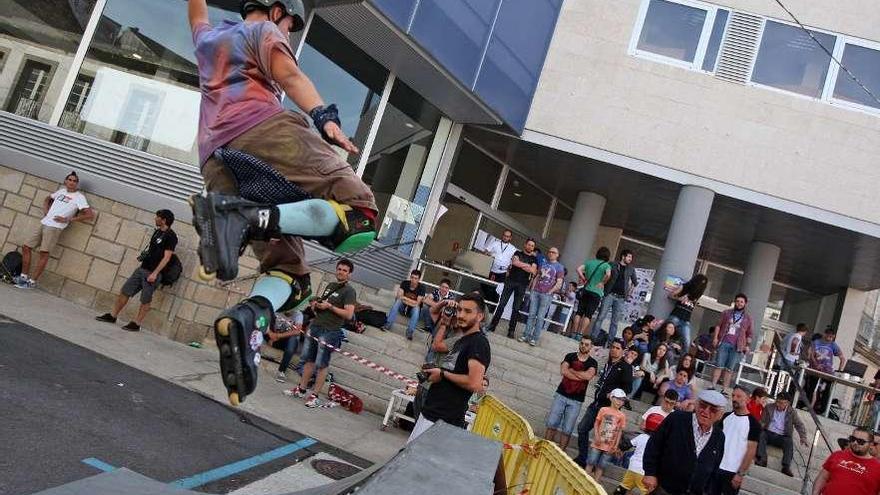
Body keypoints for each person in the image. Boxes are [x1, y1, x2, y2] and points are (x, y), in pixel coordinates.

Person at [186, 0, 379, 404]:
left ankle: (246, 319)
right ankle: (245, 219)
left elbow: (197, 13)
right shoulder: (263, 32)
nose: (289, 31)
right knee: (361, 215)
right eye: (291, 23)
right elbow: (289, 75)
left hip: (215, 161)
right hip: (263, 130)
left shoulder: (208, 38)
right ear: (277, 11)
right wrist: (324, 117)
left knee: (294, 282)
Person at [408, 292, 491, 442]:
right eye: (459, 310)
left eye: (467, 311)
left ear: (480, 316)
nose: (461, 315)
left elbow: (474, 383)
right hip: (431, 413)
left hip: (444, 420)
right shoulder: (462, 341)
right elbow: (436, 342)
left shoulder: (479, 343)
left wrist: (442, 374)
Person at [287, 259, 356, 408]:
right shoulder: (331, 286)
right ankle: (301, 389)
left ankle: (315, 395)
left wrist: (330, 306)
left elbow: (349, 315)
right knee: (309, 360)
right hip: (316, 326)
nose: (341, 272)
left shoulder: (349, 291)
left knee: (322, 364)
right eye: (339, 269)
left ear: (349, 274)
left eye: (345, 270)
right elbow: (323, 305)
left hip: (330, 331)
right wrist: (316, 305)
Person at [95, 210, 177, 332]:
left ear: (164, 220)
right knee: (125, 291)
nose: (155, 219)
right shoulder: (157, 232)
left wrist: (155, 273)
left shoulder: (171, 236)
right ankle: (112, 316)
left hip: (152, 273)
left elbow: (167, 257)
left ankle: (137, 323)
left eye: (158, 217)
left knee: (145, 299)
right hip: (142, 269)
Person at [15, 171, 94, 289]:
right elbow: (48, 198)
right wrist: (46, 210)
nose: (72, 182)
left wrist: (67, 219)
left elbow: (89, 215)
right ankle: (23, 277)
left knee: (44, 253)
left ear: (77, 184)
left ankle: (31, 282)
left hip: (55, 227)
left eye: (75, 181)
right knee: (26, 247)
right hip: (44, 222)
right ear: (65, 181)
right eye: (70, 180)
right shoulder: (61, 191)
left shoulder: (79, 197)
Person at [642, 390, 728, 495]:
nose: (706, 411)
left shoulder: (719, 437)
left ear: (720, 415)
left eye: (713, 410)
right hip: (663, 488)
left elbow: (714, 469)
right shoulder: (677, 419)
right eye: (703, 405)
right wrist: (650, 473)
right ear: (696, 405)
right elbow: (654, 445)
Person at [574, 338, 633, 467]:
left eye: (618, 348)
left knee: (603, 439)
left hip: (609, 409)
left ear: (623, 351)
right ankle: (583, 458)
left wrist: (614, 394)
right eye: (613, 347)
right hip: (597, 403)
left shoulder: (626, 367)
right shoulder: (608, 363)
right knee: (582, 428)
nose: (614, 350)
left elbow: (628, 388)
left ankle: (594, 465)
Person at [544, 335, 598, 450]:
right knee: (551, 423)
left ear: (591, 346)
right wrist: (580, 375)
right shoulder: (570, 356)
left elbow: (588, 376)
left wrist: (572, 371)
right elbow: (563, 371)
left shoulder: (593, 363)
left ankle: (561, 453)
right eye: (582, 343)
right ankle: (544, 449)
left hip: (576, 400)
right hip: (561, 395)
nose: (583, 346)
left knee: (567, 429)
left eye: (586, 344)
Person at [708, 386, 760, 495]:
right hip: (715, 467)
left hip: (732, 472)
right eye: (733, 395)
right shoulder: (725, 417)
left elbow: (751, 451)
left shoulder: (753, 424)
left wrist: (740, 474)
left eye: (738, 396)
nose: (734, 398)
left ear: (748, 399)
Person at [487, 239, 538, 339]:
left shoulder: (534, 259)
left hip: (522, 285)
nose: (530, 247)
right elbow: (515, 263)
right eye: (529, 245)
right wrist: (527, 265)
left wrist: (522, 264)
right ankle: (492, 325)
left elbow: (533, 270)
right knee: (502, 304)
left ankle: (511, 331)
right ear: (525, 245)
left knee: (516, 308)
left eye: (532, 246)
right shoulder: (517, 252)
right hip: (510, 281)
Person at [812, 427, 880, 495]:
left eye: (860, 441)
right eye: (853, 439)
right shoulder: (837, 455)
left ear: (871, 444)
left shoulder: (877, 467)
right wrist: (815, 493)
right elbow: (823, 478)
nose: (855, 443)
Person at [708, 294, 754, 394]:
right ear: (735, 302)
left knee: (730, 368)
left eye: (741, 302)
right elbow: (718, 326)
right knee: (719, 365)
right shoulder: (726, 313)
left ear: (745, 303)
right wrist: (715, 338)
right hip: (724, 341)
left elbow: (749, 334)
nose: (739, 303)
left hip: (737, 346)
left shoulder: (748, 318)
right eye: (737, 301)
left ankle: (724, 389)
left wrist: (747, 346)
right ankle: (712, 385)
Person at [755, 392, 809, 477]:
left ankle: (786, 466)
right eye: (778, 402)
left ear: (787, 403)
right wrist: (758, 427)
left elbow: (799, 425)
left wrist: (803, 437)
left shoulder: (792, 412)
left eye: (782, 403)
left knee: (789, 442)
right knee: (761, 434)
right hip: (768, 432)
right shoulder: (769, 407)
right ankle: (762, 459)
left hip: (782, 436)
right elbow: (762, 421)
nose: (778, 404)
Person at [612, 412, 666, 495]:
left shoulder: (641, 437)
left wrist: (620, 449)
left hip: (632, 468)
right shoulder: (659, 443)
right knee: (646, 492)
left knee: (624, 487)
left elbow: (627, 445)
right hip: (645, 472)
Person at [592, 249, 638, 344]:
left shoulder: (631, 269)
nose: (630, 259)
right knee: (601, 317)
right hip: (609, 294)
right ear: (623, 256)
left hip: (621, 298)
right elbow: (604, 275)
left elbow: (635, 282)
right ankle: (592, 339)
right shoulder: (612, 264)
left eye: (631, 257)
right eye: (629, 257)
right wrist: (601, 285)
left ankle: (609, 343)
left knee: (615, 322)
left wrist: (629, 293)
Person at [522, 246, 564, 346]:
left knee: (540, 317)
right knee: (531, 314)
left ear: (557, 255)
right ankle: (526, 335)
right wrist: (532, 288)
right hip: (536, 292)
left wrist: (550, 291)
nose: (551, 253)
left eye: (553, 252)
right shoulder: (543, 264)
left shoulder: (559, 267)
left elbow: (559, 283)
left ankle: (535, 338)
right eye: (549, 252)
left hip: (546, 294)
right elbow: (537, 276)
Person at [586, 388, 628, 482]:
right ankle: (584, 481)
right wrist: (596, 436)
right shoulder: (603, 409)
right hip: (598, 442)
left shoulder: (622, 415)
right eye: (618, 399)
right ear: (611, 398)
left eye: (622, 400)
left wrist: (616, 445)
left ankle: (595, 484)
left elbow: (620, 431)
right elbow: (596, 423)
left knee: (601, 466)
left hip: (610, 445)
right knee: (591, 461)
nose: (620, 402)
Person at [574, 247, 612, 340]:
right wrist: (602, 282)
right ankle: (580, 334)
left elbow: (578, 269)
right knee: (588, 315)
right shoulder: (606, 265)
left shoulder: (589, 262)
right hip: (596, 293)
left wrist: (583, 278)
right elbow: (608, 274)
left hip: (586, 290)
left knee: (579, 312)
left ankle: (573, 332)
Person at [806, 327, 847, 413]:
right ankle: (808, 406)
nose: (829, 339)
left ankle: (822, 409)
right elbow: (811, 355)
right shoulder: (816, 342)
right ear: (824, 334)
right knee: (812, 388)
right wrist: (815, 364)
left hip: (828, 371)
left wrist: (839, 370)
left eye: (831, 337)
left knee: (827, 390)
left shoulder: (833, 345)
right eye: (828, 337)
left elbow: (842, 358)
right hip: (815, 370)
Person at [665, 274, 708, 354]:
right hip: (676, 315)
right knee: (666, 335)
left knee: (687, 342)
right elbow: (670, 295)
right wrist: (679, 298)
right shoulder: (684, 287)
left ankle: (681, 359)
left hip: (686, 320)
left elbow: (693, 307)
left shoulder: (698, 294)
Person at [383, 269, 426, 340]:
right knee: (398, 302)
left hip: (412, 311)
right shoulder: (405, 283)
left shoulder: (422, 288)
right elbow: (399, 297)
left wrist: (405, 298)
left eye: (416, 278)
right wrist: (410, 301)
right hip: (402, 308)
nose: (413, 280)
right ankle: (388, 324)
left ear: (419, 279)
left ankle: (410, 331)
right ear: (410, 277)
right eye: (412, 277)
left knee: (417, 308)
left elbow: (417, 303)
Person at [270, 309, 304, 382]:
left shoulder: (298, 314)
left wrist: (278, 335)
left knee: (293, 339)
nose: (289, 311)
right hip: (276, 339)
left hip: (288, 341)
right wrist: (270, 335)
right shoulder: (278, 310)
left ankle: (281, 371)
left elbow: (297, 331)